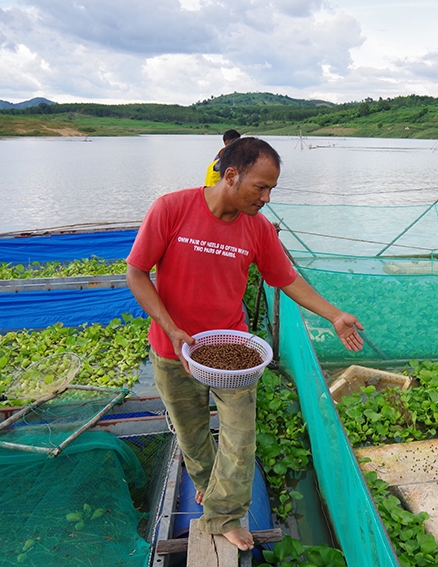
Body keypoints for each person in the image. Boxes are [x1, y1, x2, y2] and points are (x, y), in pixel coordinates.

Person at [126, 137, 364, 551]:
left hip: (231, 352)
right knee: (192, 432)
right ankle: (206, 485)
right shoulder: (172, 208)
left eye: (272, 188)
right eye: (261, 186)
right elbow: (137, 273)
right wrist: (171, 328)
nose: (267, 197)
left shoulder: (256, 229)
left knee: (240, 436)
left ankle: (224, 515)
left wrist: (334, 314)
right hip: (172, 349)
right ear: (231, 175)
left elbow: (285, 278)